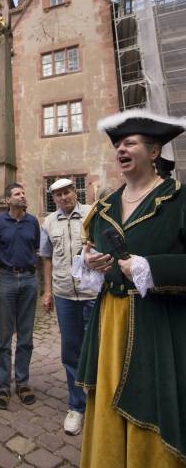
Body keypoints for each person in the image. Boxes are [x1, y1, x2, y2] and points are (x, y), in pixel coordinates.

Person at [74, 109, 186, 467]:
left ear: (153, 152)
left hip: (158, 324)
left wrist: (151, 268)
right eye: (118, 145)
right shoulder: (103, 207)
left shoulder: (178, 200)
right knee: (108, 399)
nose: (121, 149)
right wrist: (89, 263)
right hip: (110, 323)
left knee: (152, 399)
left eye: (130, 143)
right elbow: (90, 253)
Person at [41, 178, 95, 435]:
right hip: (64, 294)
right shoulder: (49, 222)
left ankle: (101, 401)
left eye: (67, 192)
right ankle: (77, 406)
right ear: (54, 198)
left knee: (99, 347)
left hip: (92, 293)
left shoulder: (91, 213)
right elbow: (47, 258)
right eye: (58, 194)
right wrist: (48, 291)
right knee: (71, 351)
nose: (63, 197)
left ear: (76, 192)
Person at [0, 183, 40, 410]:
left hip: (29, 280)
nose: (22, 196)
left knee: (26, 335)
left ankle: (22, 382)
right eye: (17, 194)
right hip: (6, 279)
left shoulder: (33, 221)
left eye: (23, 192)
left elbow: (37, 248)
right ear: (7, 201)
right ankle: (3, 385)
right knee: (3, 336)